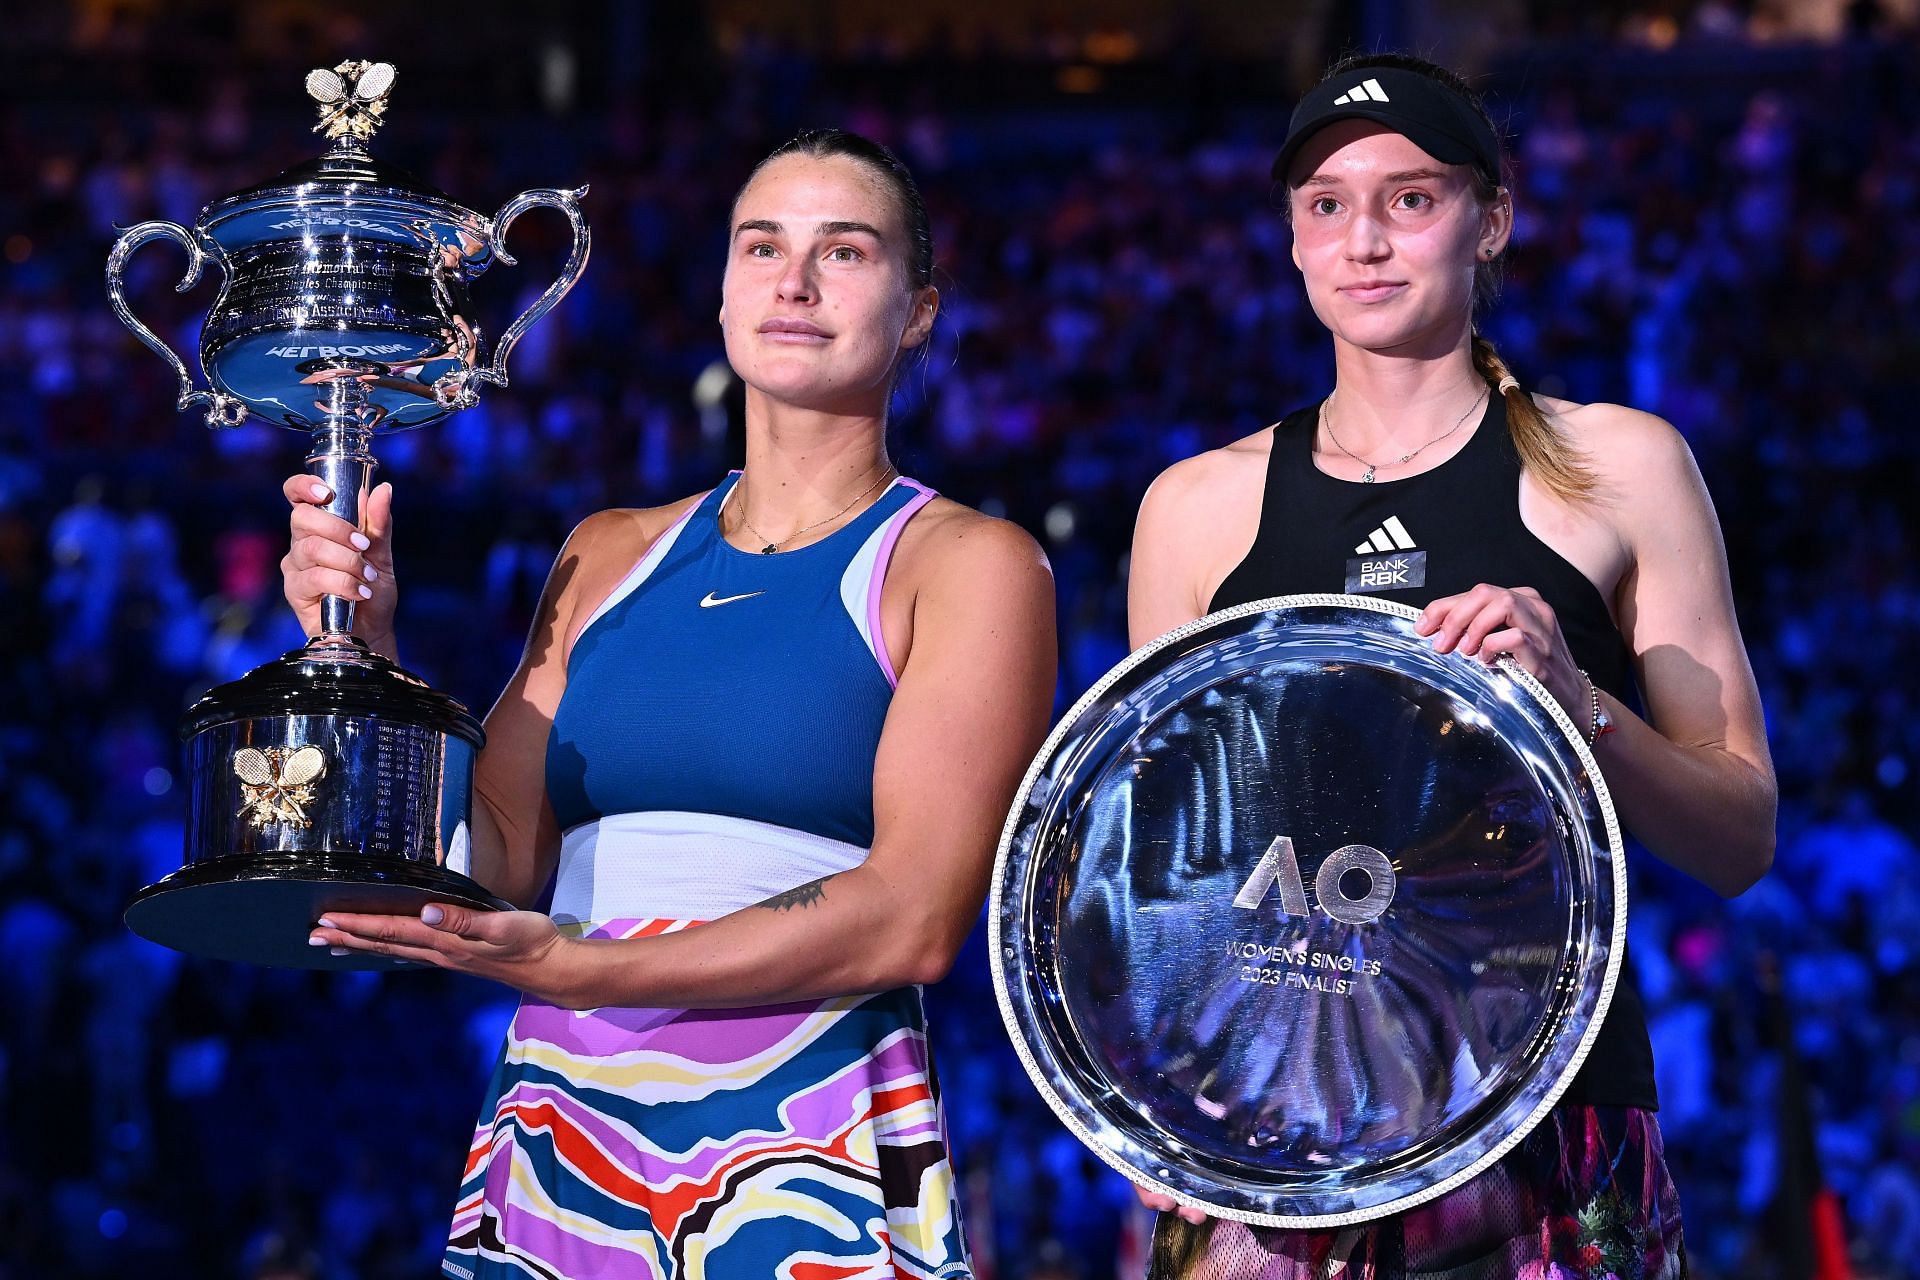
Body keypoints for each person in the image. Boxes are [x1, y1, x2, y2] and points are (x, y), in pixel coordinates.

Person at [284, 129, 1057, 1280]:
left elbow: (913, 918)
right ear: (724, 290)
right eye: (763, 246)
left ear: (919, 309)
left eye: (843, 252)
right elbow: (488, 859)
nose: (793, 282)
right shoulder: (606, 551)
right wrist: (366, 647)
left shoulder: (966, 562)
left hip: (802, 1131)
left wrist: (585, 967)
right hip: (566, 1120)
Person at [1127, 54, 1775, 1279]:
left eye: (1409, 199)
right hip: (1274, 1142)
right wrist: (1148, 1083)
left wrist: (1577, 705)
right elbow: (1172, 871)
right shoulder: (1196, 508)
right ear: (1292, 240)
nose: (1364, 239)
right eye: (1326, 205)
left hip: (1549, 1119)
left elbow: (1742, 835)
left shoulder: (1619, 469)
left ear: (1493, 218)